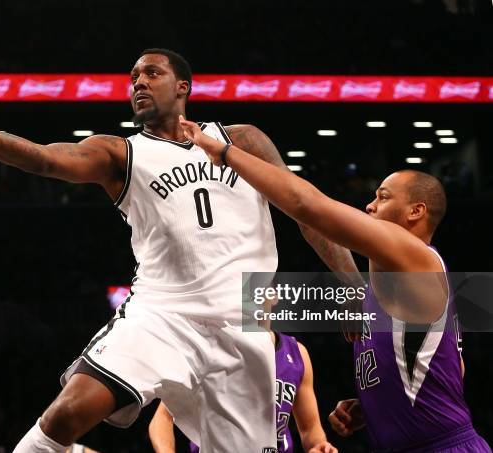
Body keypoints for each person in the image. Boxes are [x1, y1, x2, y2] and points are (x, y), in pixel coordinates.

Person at [0, 48, 354, 453]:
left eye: (151, 73)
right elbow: (42, 158)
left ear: (183, 87)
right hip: (162, 314)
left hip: (243, 322)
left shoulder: (242, 140)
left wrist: (357, 296)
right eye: (133, 77)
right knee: (67, 414)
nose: (138, 82)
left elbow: (308, 213)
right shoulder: (120, 153)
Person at [176, 116, 491, 452]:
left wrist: (225, 153)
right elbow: (453, 368)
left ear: (416, 211)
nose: (370, 204)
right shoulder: (390, 285)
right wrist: (376, 406)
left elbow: (308, 207)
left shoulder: (417, 259)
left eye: (383, 197)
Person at [149, 331, 337, 453]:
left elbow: (310, 429)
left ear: (274, 295)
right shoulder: (211, 349)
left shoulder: (297, 353)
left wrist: (319, 446)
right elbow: (162, 418)